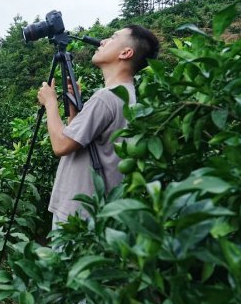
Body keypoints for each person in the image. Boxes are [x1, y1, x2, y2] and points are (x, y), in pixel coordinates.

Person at [38, 25, 159, 224]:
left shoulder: (106, 97)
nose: (103, 41)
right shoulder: (126, 94)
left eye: (113, 37)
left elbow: (61, 145)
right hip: (95, 210)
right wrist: (74, 111)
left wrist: (50, 103)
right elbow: (80, 142)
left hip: (77, 215)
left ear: (126, 53)